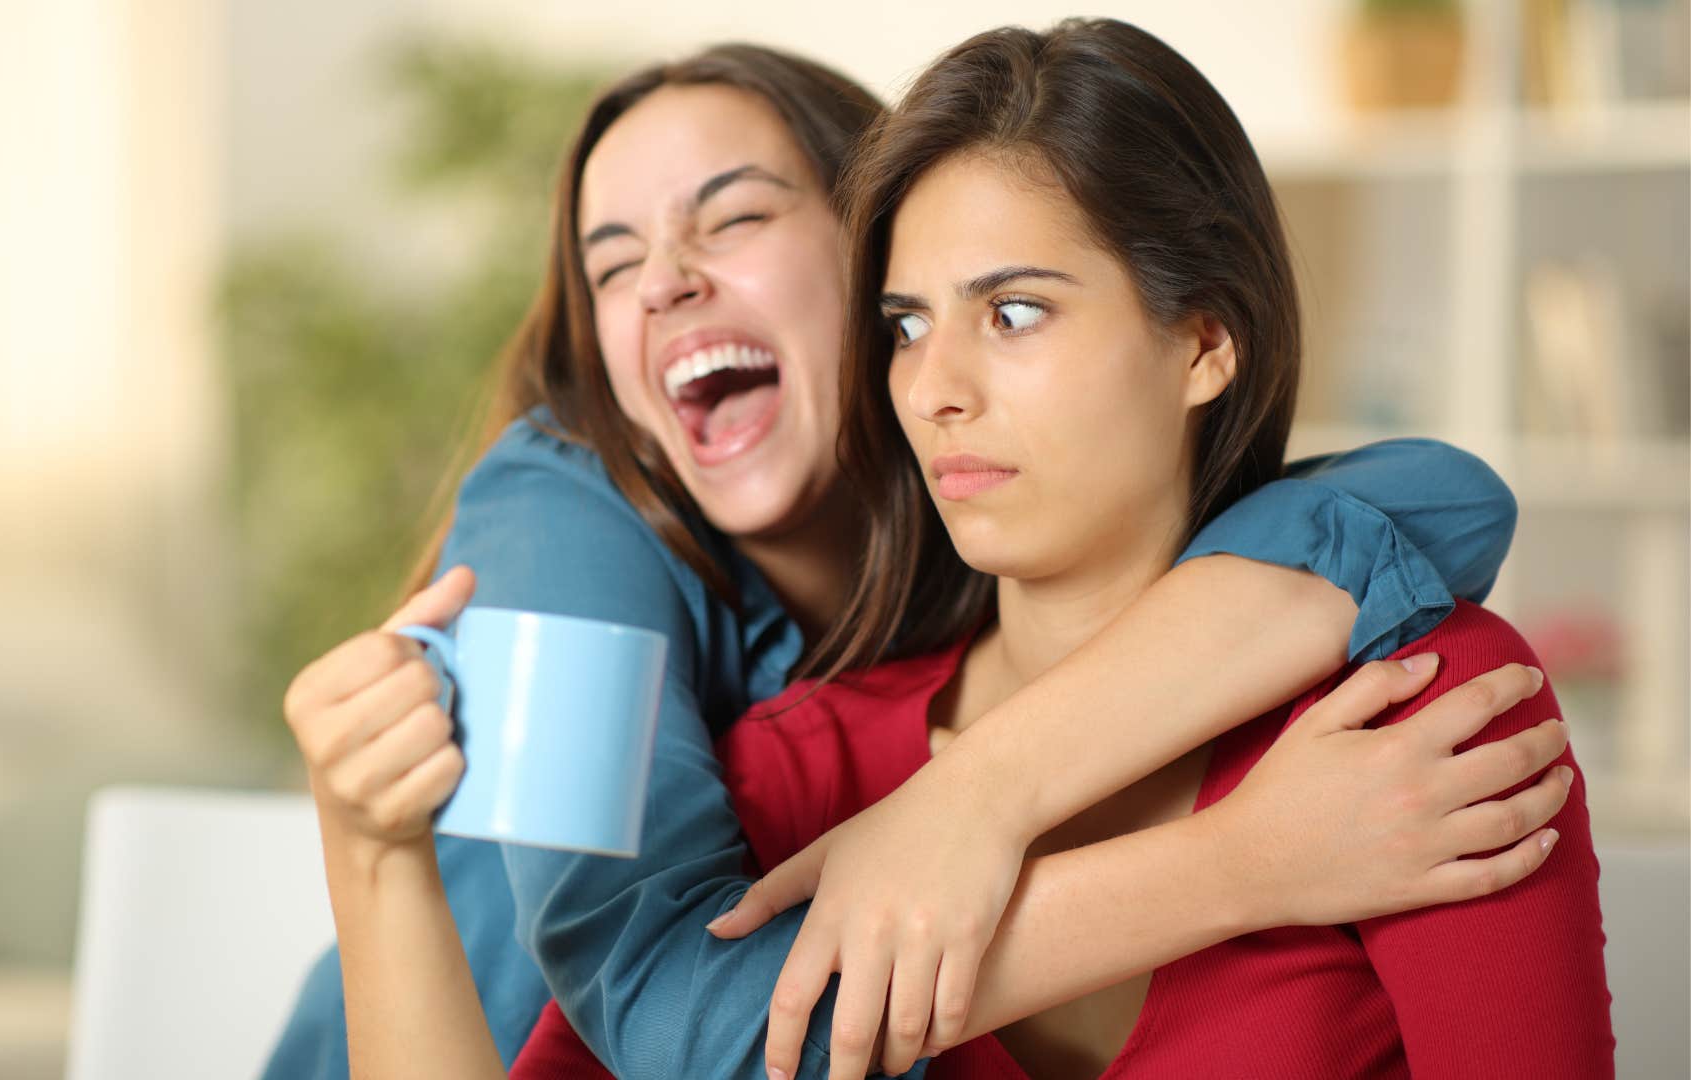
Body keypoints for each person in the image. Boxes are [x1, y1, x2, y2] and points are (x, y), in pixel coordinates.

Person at [264, 40, 1532, 1080]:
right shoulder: (562, 529)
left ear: (870, 244)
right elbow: (681, 1021)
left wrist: (971, 797)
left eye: (737, 216)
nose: (663, 284)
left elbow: (1440, 500)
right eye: (613, 266)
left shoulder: (969, 500)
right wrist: (1240, 865)